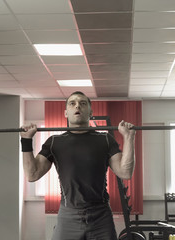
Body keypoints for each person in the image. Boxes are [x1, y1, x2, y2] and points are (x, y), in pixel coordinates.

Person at [20, 91, 136, 240]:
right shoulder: (54, 142)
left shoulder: (105, 139)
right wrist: (26, 141)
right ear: (66, 113)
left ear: (90, 112)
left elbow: (125, 172)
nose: (77, 106)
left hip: (100, 216)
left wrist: (129, 137)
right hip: (68, 215)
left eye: (83, 103)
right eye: (72, 103)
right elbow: (32, 174)